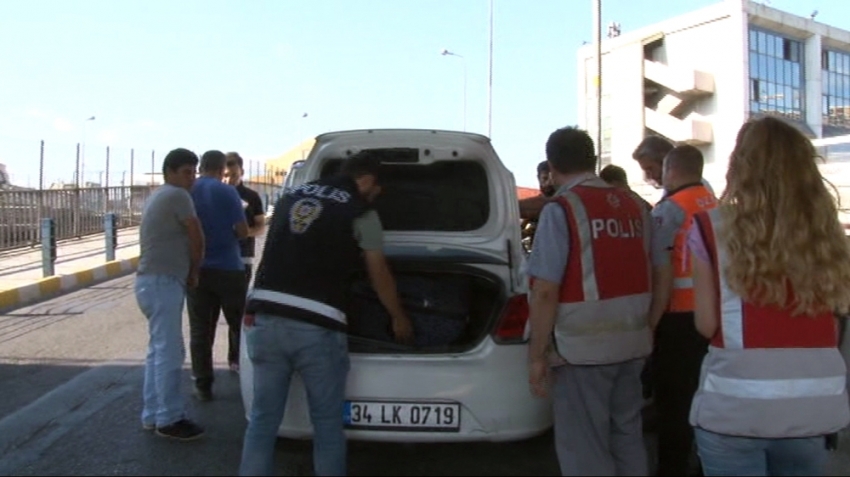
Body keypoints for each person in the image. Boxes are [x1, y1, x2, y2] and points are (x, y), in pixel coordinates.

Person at [687, 116, 850, 476]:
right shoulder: (829, 236)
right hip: (811, 413)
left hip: (734, 411)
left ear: (741, 166)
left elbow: (707, 324)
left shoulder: (709, 227)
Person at [239, 151, 414, 476]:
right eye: (377, 191)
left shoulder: (291, 196)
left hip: (266, 317)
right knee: (327, 426)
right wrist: (398, 315)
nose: (376, 198)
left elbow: (272, 251)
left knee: (263, 423)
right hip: (317, 327)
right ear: (368, 181)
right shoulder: (360, 210)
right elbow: (378, 272)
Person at [526, 126, 653, 476]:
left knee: (584, 448)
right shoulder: (636, 207)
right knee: (627, 435)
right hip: (633, 343)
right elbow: (658, 271)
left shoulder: (561, 209)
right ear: (593, 160)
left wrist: (536, 355)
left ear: (551, 166)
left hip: (581, 350)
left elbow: (545, 290)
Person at [646, 145, 717, 476]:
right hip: (715, 318)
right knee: (706, 397)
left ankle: (672, 469)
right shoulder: (716, 204)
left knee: (674, 406)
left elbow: (660, 271)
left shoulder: (669, 210)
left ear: (670, 170)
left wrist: (650, 324)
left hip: (676, 319)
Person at [135, 148, 205, 440]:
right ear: (170, 172)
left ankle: (153, 414)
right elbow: (196, 235)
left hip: (150, 281)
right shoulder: (178, 196)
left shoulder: (159, 195)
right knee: (170, 351)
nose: (192, 178)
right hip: (164, 281)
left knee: (158, 351)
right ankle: (169, 418)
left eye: (194, 172)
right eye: (187, 172)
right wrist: (194, 271)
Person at [186, 150, 250, 401]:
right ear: (222, 168)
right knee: (239, 325)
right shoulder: (228, 192)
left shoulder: (189, 191)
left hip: (198, 269)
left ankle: (203, 383)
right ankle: (247, 374)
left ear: (201, 166)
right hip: (229, 268)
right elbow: (243, 231)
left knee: (200, 329)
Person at [223, 151, 267, 372]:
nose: (228, 177)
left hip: (242, 259)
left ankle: (235, 358)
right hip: (217, 260)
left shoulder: (251, 196)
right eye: (225, 173)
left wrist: (245, 233)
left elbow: (260, 226)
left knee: (237, 311)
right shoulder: (217, 193)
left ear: (241, 171)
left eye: (232, 172)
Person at [632, 135, 715, 198]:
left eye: (650, 169)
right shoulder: (678, 187)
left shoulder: (687, 188)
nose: (650, 176)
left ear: (664, 161)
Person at [520, 161, 556, 252]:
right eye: (545, 178)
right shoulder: (532, 208)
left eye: (553, 179)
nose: (549, 183)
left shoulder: (563, 201)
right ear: (538, 178)